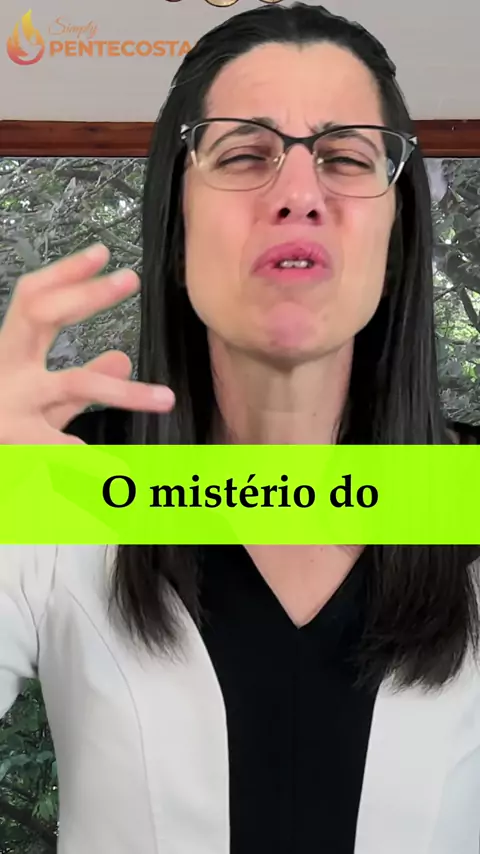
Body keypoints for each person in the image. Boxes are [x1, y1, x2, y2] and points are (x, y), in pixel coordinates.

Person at [0, 3, 479, 853]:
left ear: (396, 238)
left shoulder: (468, 492)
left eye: (344, 157)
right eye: (245, 155)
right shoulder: (61, 476)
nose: (298, 195)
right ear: (178, 228)